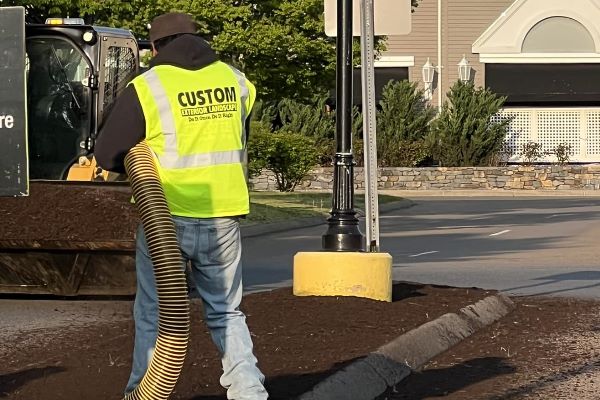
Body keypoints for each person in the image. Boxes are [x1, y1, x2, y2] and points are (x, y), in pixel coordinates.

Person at [94, 12, 268, 400]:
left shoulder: (149, 85)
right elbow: (238, 131)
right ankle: (249, 393)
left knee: (155, 315)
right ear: (197, 38)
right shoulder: (236, 81)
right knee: (226, 313)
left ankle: (145, 392)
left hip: (165, 221)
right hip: (224, 216)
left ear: (155, 47)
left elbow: (107, 153)